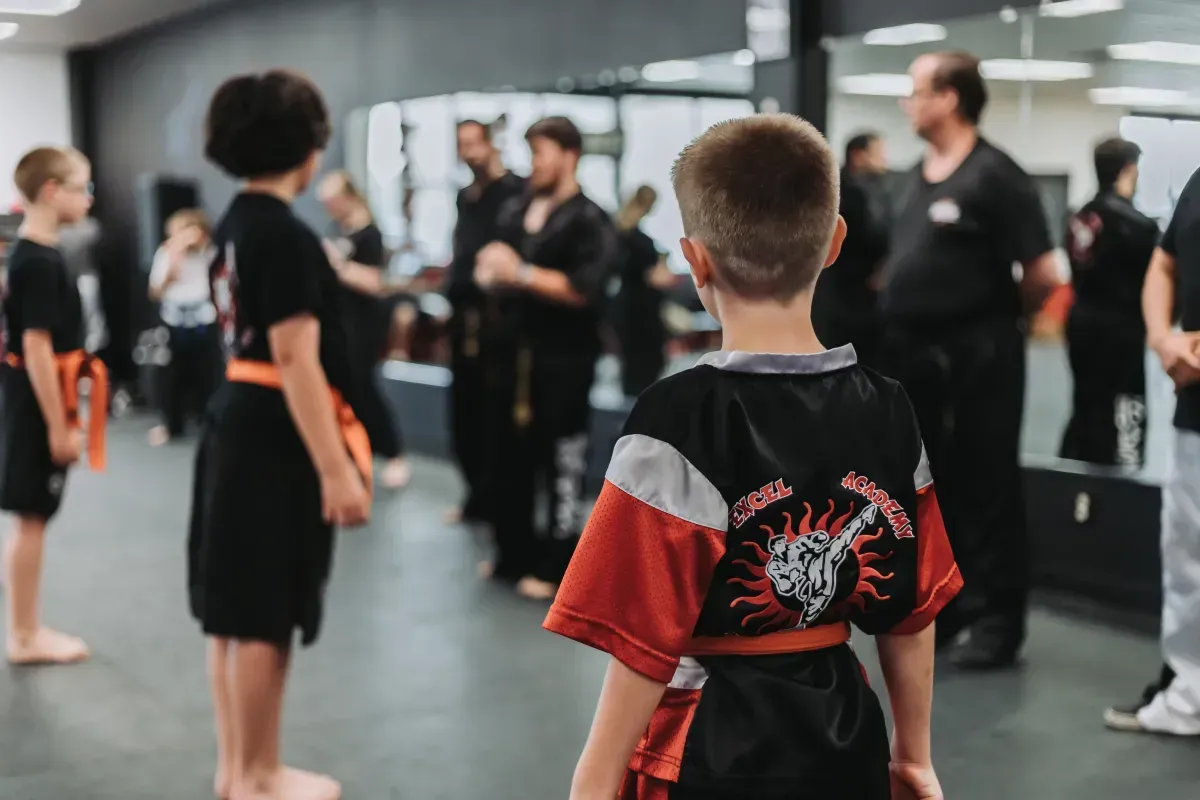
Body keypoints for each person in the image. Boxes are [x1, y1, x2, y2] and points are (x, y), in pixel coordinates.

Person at [544, 114, 960, 800]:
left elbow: (643, 644)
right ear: (834, 243)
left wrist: (592, 780)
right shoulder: (888, 409)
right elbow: (912, 611)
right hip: (844, 736)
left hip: (708, 749)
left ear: (695, 259)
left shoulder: (677, 418)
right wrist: (912, 754)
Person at [187, 70, 371, 800]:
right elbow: (296, 360)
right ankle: (259, 775)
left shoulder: (232, 222)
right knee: (264, 609)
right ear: (308, 149)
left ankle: (236, 768)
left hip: (236, 419)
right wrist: (335, 468)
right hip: (274, 429)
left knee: (232, 609)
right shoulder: (287, 235)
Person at [881, 51, 1059, 670]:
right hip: (915, 358)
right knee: (930, 485)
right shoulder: (909, 179)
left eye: (916, 91)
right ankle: (945, 606)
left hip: (981, 352)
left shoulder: (995, 175)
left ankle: (996, 619)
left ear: (949, 98)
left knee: (988, 480)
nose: (908, 103)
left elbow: (1042, 272)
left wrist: (990, 317)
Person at [474, 116, 617, 600]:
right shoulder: (517, 211)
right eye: (531, 153)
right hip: (513, 360)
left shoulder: (590, 219)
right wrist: (491, 272)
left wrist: (521, 272)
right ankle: (513, 553)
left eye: (541, 154)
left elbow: (584, 289)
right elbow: (495, 264)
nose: (533, 164)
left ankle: (559, 565)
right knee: (507, 456)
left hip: (564, 362)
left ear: (569, 155)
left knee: (562, 463)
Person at [1104, 164, 1200, 737]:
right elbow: (1164, 264)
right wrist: (1163, 338)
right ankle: (1187, 699)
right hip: (1195, 410)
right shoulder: (1198, 182)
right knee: (1188, 557)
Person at [2, 146, 108, 665]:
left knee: (33, 516)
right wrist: (58, 427)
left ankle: (25, 629)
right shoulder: (38, 261)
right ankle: (24, 635)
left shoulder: (37, 253)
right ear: (51, 191)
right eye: (81, 187)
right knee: (32, 519)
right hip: (34, 404)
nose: (88, 197)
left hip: (32, 399)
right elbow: (37, 348)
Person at [1059, 138, 1157, 468]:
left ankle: (1075, 475)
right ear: (1128, 170)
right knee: (1126, 406)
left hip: (1081, 323)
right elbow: (1155, 286)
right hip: (1122, 329)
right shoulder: (1138, 226)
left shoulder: (1079, 218)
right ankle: (1124, 477)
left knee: (1087, 403)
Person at [445, 119, 524, 522]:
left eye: (475, 143)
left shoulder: (514, 192)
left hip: (498, 322)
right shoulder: (465, 197)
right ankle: (475, 496)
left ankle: (496, 501)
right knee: (464, 413)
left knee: (495, 415)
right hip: (462, 320)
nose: (469, 152)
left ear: (491, 145)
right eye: (462, 145)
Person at [317, 171, 410, 490]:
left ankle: (394, 453)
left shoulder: (369, 234)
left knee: (364, 388)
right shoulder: (338, 230)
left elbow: (374, 282)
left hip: (363, 323)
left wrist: (336, 266)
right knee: (344, 389)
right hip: (339, 322)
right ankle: (356, 454)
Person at [813, 132, 891, 363]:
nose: (885, 161)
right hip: (845, 296)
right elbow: (871, 239)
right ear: (858, 155)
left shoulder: (873, 190)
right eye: (879, 154)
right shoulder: (844, 194)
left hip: (854, 295)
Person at [147, 209, 220, 446]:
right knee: (171, 377)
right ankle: (171, 425)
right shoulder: (166, 254)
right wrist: (174, 260)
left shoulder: (210, 254)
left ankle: (211, 424)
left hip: (205, 319)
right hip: (174, 320)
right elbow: (155, 292)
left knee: (209, 375)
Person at [611, 185, 676, 397]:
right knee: (646, 367)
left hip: (629, 310)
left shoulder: (622, 233)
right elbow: (653, 277)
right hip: (642, 314)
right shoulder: (637, 240)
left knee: (633, 369)